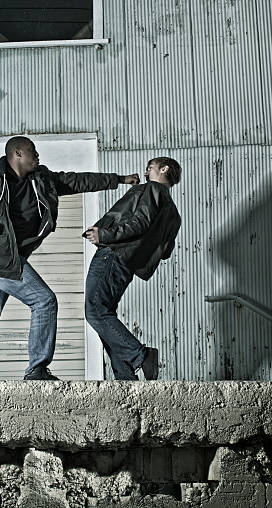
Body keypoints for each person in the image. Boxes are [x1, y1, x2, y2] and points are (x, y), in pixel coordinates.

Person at [0, 136, 139, 381]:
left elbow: (77, 180)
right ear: (17, 154)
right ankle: (37, 370)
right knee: (44, 301)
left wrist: (119, 179)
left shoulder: (41, 179)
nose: (38, 155)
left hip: (1, 260)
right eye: (33, 151)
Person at [84, 157, 181, 381]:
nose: (146, 170)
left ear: (164, 169)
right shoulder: (173, 214)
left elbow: (140, 222)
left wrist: (105, 234)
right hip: (128, 265)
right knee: (105, 314)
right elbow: (164, 251)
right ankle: (125, 376)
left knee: (95, 310)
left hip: (113, 255)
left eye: (151, 166)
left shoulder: (151, 189)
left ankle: (141, 355)